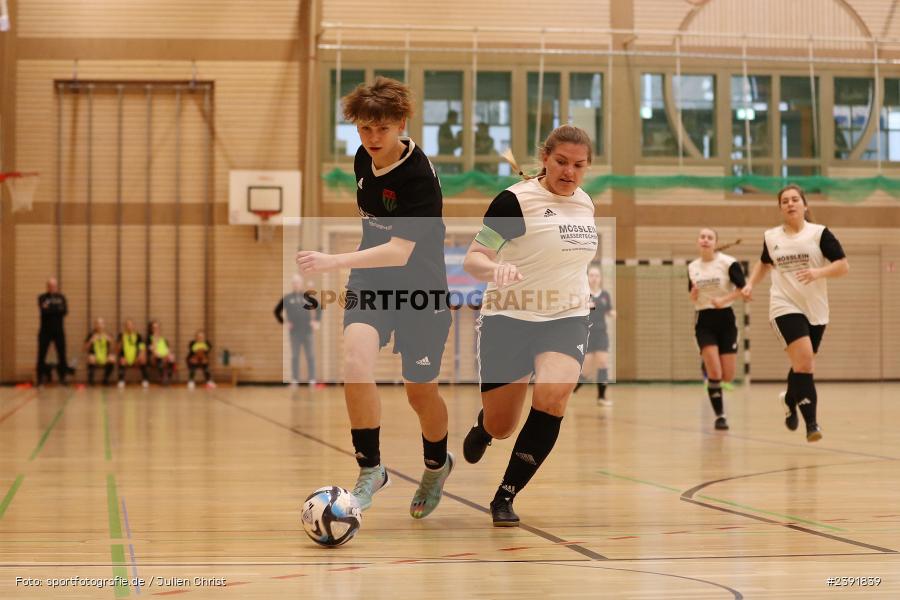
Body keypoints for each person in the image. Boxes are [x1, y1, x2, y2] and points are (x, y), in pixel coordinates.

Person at [296, 76, 454, 519]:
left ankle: (436, 465)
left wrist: (331, 261)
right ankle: (371, 470)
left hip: (421, 289)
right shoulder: (362, 160)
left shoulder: (419, 176)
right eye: (364, 129)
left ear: (401, 124)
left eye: (381, 129)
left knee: (420, 393)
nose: (372, 139)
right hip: (372, 285)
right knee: (354, 363)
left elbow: (400, 251)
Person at [461, 125, 597, 526]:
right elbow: (473, 258)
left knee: (554, 396)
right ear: (544, 158)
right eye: (561, 162)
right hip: (509, 316)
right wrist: (495, 266)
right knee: (504, 425)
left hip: (566, 316)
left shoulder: (586, 204)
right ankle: (485, 426)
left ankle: (506, 494)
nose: (569, 172)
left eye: (578, 165)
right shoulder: (514, 201)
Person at [743, 184, 849, 442]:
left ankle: (790, 400)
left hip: (816, 309)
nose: (790, 204)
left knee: (801, 364)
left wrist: (818, 272)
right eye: (785, 201)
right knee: (805, 364)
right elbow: (765, 263)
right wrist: (749, 283)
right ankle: (811, 424)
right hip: (784, 306)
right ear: (780, 208)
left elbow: (843, 266)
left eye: (794, 199)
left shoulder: (819, 234)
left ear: (805, 205)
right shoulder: (772, 237)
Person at [687, 230, 746, 431]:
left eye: (709, 237)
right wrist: (693, 295)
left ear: (715, 243)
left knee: (727, 376)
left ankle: (709, 365)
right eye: (701, 236)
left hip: (726, 320)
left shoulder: (728, 263)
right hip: (704, 320)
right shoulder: (693, 267)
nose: (705, 240)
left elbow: (743, 289)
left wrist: (724, 299)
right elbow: (692, 297)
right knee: (715, 372)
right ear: (698, 242)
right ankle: (720, 416)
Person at [574, 265, 616, 406]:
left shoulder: (605, 295)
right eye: (591, 275)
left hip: (601, 334)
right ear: (587, 277)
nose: (594, 278)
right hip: (587, 334)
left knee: (603, 362)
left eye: (597, 275)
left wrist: (612, 313)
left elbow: (609, 310)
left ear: (600, 278)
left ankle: (601, 397)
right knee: (586, 371)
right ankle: (572, 389)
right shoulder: (583, 294)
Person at [274, 273, 321, 387]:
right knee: (295, 356)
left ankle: (312, 379)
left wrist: (316, 321)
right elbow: (277, 311)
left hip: (308, 331)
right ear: (292, 284)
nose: (296, 284)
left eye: (298, 282)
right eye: (294, 283)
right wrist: (285, 322)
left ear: (301, 284)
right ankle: (295, 379)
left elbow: (319, 308)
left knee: (310, 355)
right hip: (294, 332)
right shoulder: (288, 298)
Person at [36, 277, 70, 385]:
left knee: (62, 354)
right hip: (45, 331)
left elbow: (64, 311)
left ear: (57, 286)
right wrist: (56, 308)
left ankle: (63, 378)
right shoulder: (42, 297)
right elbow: (44, 311)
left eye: (54, 286)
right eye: (50, 286)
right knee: (41, 354)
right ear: (47, 286)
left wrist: (50, 307)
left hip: (58, 331)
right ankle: (40, 378)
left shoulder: (61, 297)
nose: (52, 288)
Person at [116, 319, 149, 388]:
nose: (129, 327)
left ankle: (145, 380)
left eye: (130, 325)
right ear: (125, 327)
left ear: (133, 326)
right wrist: (121, 341)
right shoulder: (121, 335)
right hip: (125, 357)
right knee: (122, 360)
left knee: (143, 360)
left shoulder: (138, 336)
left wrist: (139, 356)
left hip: (136, 357)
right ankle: (121, 380)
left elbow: (142, 348)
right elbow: (117, 350)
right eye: (127, 325)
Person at [84, 317, 115, 385]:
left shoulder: (108, 334)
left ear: (104, 325)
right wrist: (91, 341)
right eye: (97, 323)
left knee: (112, 358)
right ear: (95, 325)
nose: (99, 325)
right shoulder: (91, 335)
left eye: (101, 323)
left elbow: (115, 349)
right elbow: (84, 348)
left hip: (104, 356)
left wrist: (111, 341)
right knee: (91, 358)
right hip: (95, 356)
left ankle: (105, 379)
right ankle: (91, 380)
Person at [147, 320, 176, 385]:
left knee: (171, 358)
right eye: (154, 328)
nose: (156, 329)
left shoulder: (163, 339)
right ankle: (163, 377)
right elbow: (152, 350)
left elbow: (168, 349)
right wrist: (155, 339)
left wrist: (168, 355)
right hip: (156, 357)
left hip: (165, 356)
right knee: (158, 358)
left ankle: (168, 377)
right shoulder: (149, 339)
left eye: (157, 327)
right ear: (151, 329)